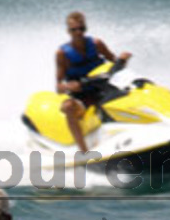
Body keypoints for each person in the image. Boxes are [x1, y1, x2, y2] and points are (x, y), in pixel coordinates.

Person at [56, 11, 132, 153]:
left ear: (86, 29)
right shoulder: (62, 54)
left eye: (81, 29)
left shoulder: (96, 44)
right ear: (68, 31)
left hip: (103, 89)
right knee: (67, 107)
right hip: (82, 96)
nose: (78, 32)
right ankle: (84, 152)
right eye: (74, 30)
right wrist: (69, 86)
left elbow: (115, 65)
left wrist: (122, 59)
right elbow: (58, 87)